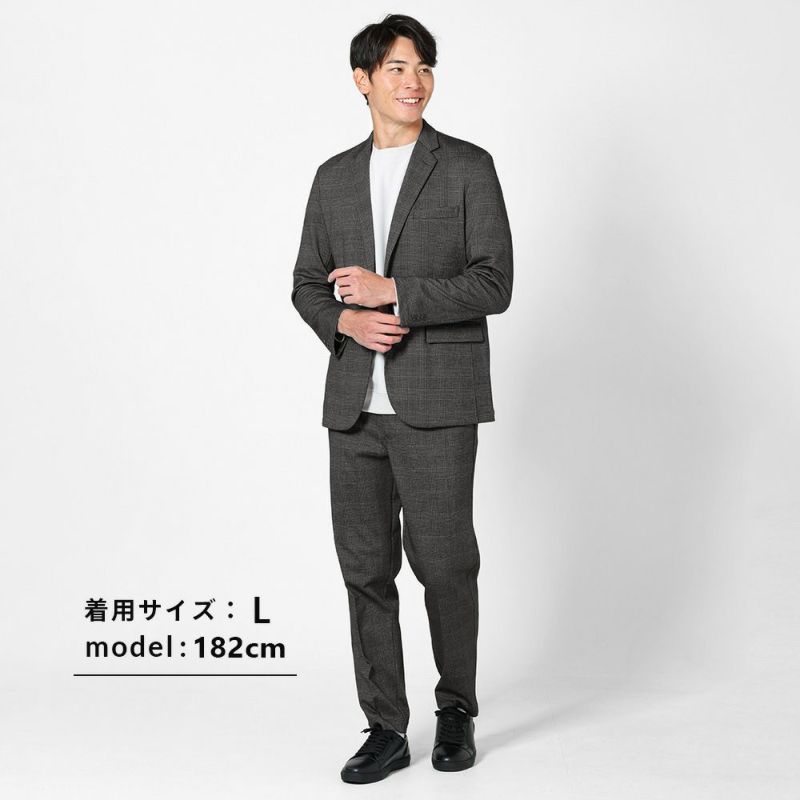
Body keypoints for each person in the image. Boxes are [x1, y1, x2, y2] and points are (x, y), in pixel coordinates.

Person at [291, 13, 513, 785]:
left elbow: (494, 283)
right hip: (354, 407)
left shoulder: (467, 167)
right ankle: (385, 726)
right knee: (365, 570)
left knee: (445, 566)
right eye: (396, 68)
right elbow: (306, 284)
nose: (413, 81)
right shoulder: (333, 177)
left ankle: (456, 711)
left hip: (439, 401)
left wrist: (396, 293)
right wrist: (344, 319)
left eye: (423, 67)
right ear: (363, 80)